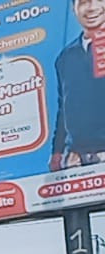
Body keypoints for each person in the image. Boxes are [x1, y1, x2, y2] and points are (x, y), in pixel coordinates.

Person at [50, 0, 105, 171]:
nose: (91, 8)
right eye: (83, 2)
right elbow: (64, 109)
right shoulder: (65, 58)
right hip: (77, 159)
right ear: (73, 9)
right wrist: (57, 152)